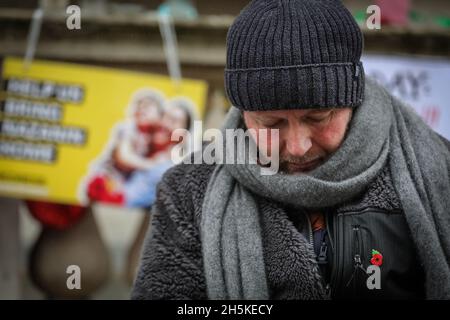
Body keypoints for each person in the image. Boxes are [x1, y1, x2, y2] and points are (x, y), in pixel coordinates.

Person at [132, 0, 450, 299]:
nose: (298, 148)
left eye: (318, 117)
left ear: (353, 101)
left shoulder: (435, 169)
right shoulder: (187, 191)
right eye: (271, 124)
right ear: (243, 112)